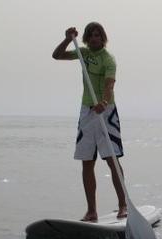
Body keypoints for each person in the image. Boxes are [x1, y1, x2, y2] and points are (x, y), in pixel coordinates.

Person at [52, 22, 126, 222]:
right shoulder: (82, 53)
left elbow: (110, 85)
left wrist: (103, 101)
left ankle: (123, 205)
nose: (94, 38)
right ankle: (91, 211)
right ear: (86, 38)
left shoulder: (108, 59)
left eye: (98, 35)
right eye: (91, 35)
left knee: (112, 160)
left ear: (103, 38)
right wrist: (68, 39)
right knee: (87, 162)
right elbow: (56, 55)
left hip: (106, 111)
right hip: (86, 111)